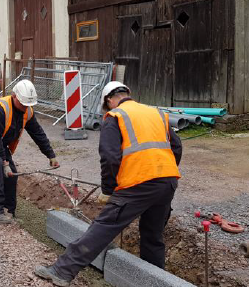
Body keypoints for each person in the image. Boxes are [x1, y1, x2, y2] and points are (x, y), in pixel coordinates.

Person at [34, 81, 182, 286]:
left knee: (102, 228)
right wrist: (166, 174)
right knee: (152, 237)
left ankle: (62, 271)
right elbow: (176, 147)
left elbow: (110, 157)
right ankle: (156, 282)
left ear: (110, 100)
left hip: (138, 184)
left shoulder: (115, 117)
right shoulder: (156, 113)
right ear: (127, 94)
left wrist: (109, 190)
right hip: (168, 182)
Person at [0, 79, 60, 225]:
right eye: (23, 103)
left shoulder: (27, 111)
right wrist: (4, 162)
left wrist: (50, 154)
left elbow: (38, 133)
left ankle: (9, 210)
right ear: (14, 96)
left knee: (12, 174)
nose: (25, 107)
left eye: (28, 105)